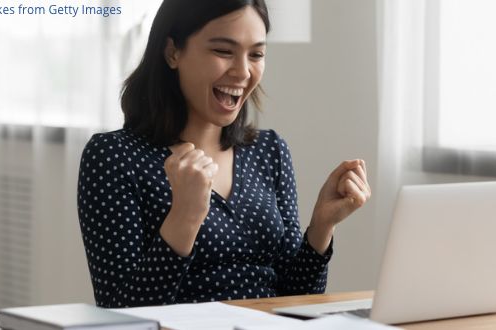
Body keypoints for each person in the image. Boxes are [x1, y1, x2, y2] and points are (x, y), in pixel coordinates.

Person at [77, 0, 371, 308]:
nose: (242, 72)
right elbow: (119, 313)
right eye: (223, 51)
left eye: (256, 54)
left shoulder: (269, 151)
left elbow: (296, 297)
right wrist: (185, 217)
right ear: (172, 51)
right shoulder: (113, 157)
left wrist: (322, 226)